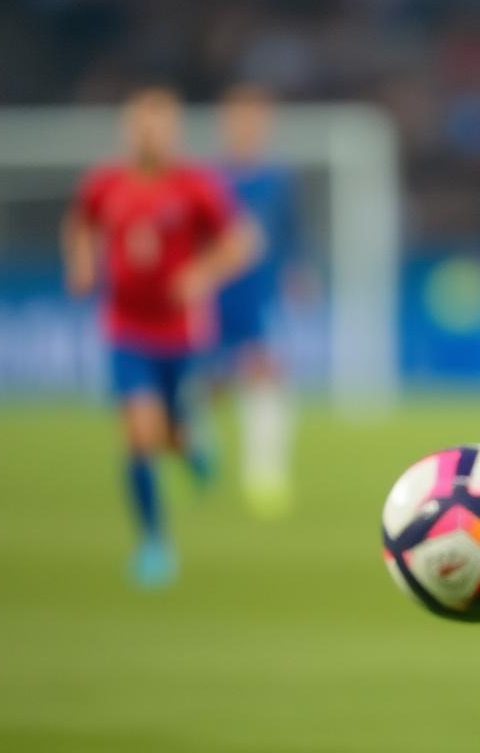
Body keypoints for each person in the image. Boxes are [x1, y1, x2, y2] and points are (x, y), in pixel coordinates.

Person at [62, 87, 255, 588]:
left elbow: (243, 241)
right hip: (125, 328)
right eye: (142, 124)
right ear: (128, 130)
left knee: (171, 431)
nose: (151, 133)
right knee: (140, 433)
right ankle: (153, 543)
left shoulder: (195, 185)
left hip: (182, 332)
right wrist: (82, 261)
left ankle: (193, 449)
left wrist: (202, 274)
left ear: (175, 132)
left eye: (161, 125)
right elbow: (80, 223)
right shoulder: (104, 184)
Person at [210, 84, 299, 517]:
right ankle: (198, 462)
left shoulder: (277, 179)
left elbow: (290, 233)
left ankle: (265, 475)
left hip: (257, 297)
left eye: (255, 119)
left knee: (267, 377)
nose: (248, 127)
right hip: (211, 295)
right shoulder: (207, 181)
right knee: (209, 386)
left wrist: (297, 272)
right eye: (239, 118)